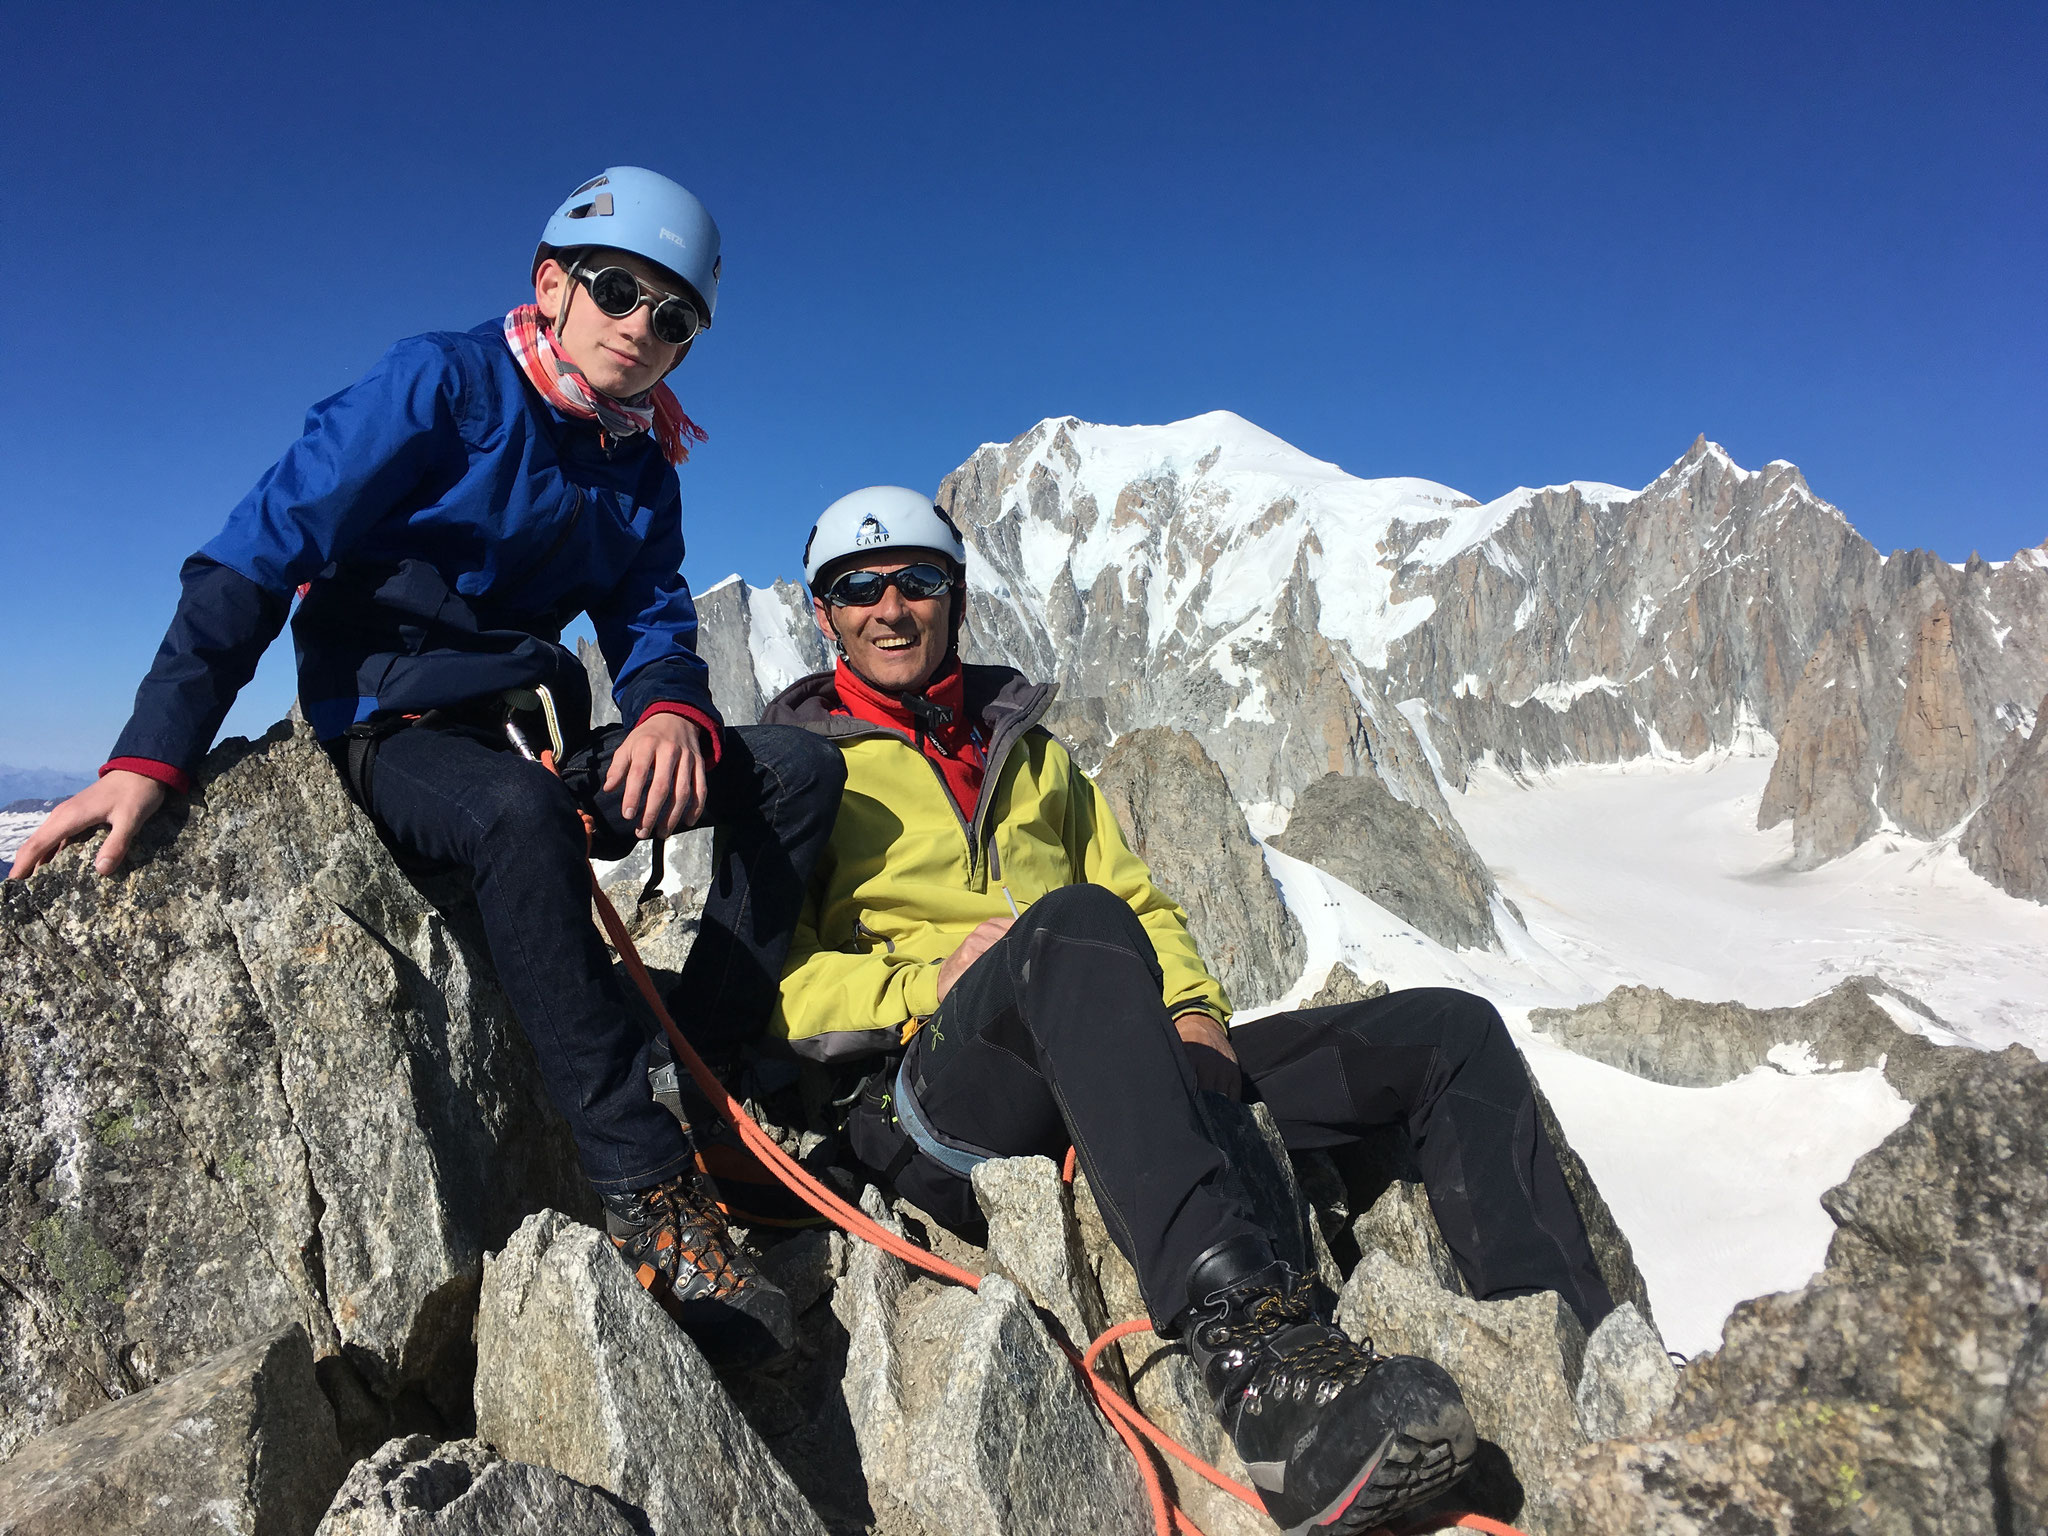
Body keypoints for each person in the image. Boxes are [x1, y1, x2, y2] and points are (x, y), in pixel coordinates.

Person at [8, 167, 845, 1366]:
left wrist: (669, 714)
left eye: (676, 320)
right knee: (512, 819)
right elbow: (263, 548)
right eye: (619, 292)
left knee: (796, 776)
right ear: (550, 284)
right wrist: (153, 751)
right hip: (394, 729)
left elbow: (653, 614)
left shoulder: (634, 465)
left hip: (531, 733)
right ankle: (646, 1192)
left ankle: (697, 1059)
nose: (642, 331)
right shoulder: (440, 386)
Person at [756, 485, 1618, 1532]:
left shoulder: (1033, 758)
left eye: (916, 580)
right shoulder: (794, 772)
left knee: (1444, 1034)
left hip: (1096, 1050)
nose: (888, 608)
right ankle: (1263, 1378)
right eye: (857, 588)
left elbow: (1140, 907)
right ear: (822, 614)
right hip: (933, 1101)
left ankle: (1576, 1365)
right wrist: (919, 986)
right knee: (1070, 927)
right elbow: (774, 989)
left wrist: (1197, 1017)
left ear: (958, 597)